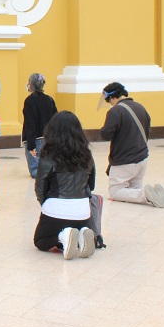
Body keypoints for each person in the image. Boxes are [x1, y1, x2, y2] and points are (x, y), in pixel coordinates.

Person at [33, 111, 97, 259]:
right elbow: (91, 185)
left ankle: (63, 235)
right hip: (82, 211)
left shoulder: (48, 155)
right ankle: (81, 234)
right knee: (76, 226)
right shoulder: (87, 155)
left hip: (55, 207)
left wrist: (46, 205)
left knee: (40, 241)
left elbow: (40, 187)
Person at [99, 82, 164, 208]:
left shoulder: (115, 111)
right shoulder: (140, 107)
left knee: (115, 191)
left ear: (112, 98)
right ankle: (152, 195)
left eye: (109, 101)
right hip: (142, 158)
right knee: (135, 187)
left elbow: (105, 134)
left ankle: (146, 194)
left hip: (125, 160)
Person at [22, 73, 58, 179]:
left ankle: (43, 177)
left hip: (35, 139)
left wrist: (31, 145)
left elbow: (30, 123)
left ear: (31, 85)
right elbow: (55, 119)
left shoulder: (29, 101)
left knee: (35, 169)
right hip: (48, 138)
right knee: (47, 161)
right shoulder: (49, 99)